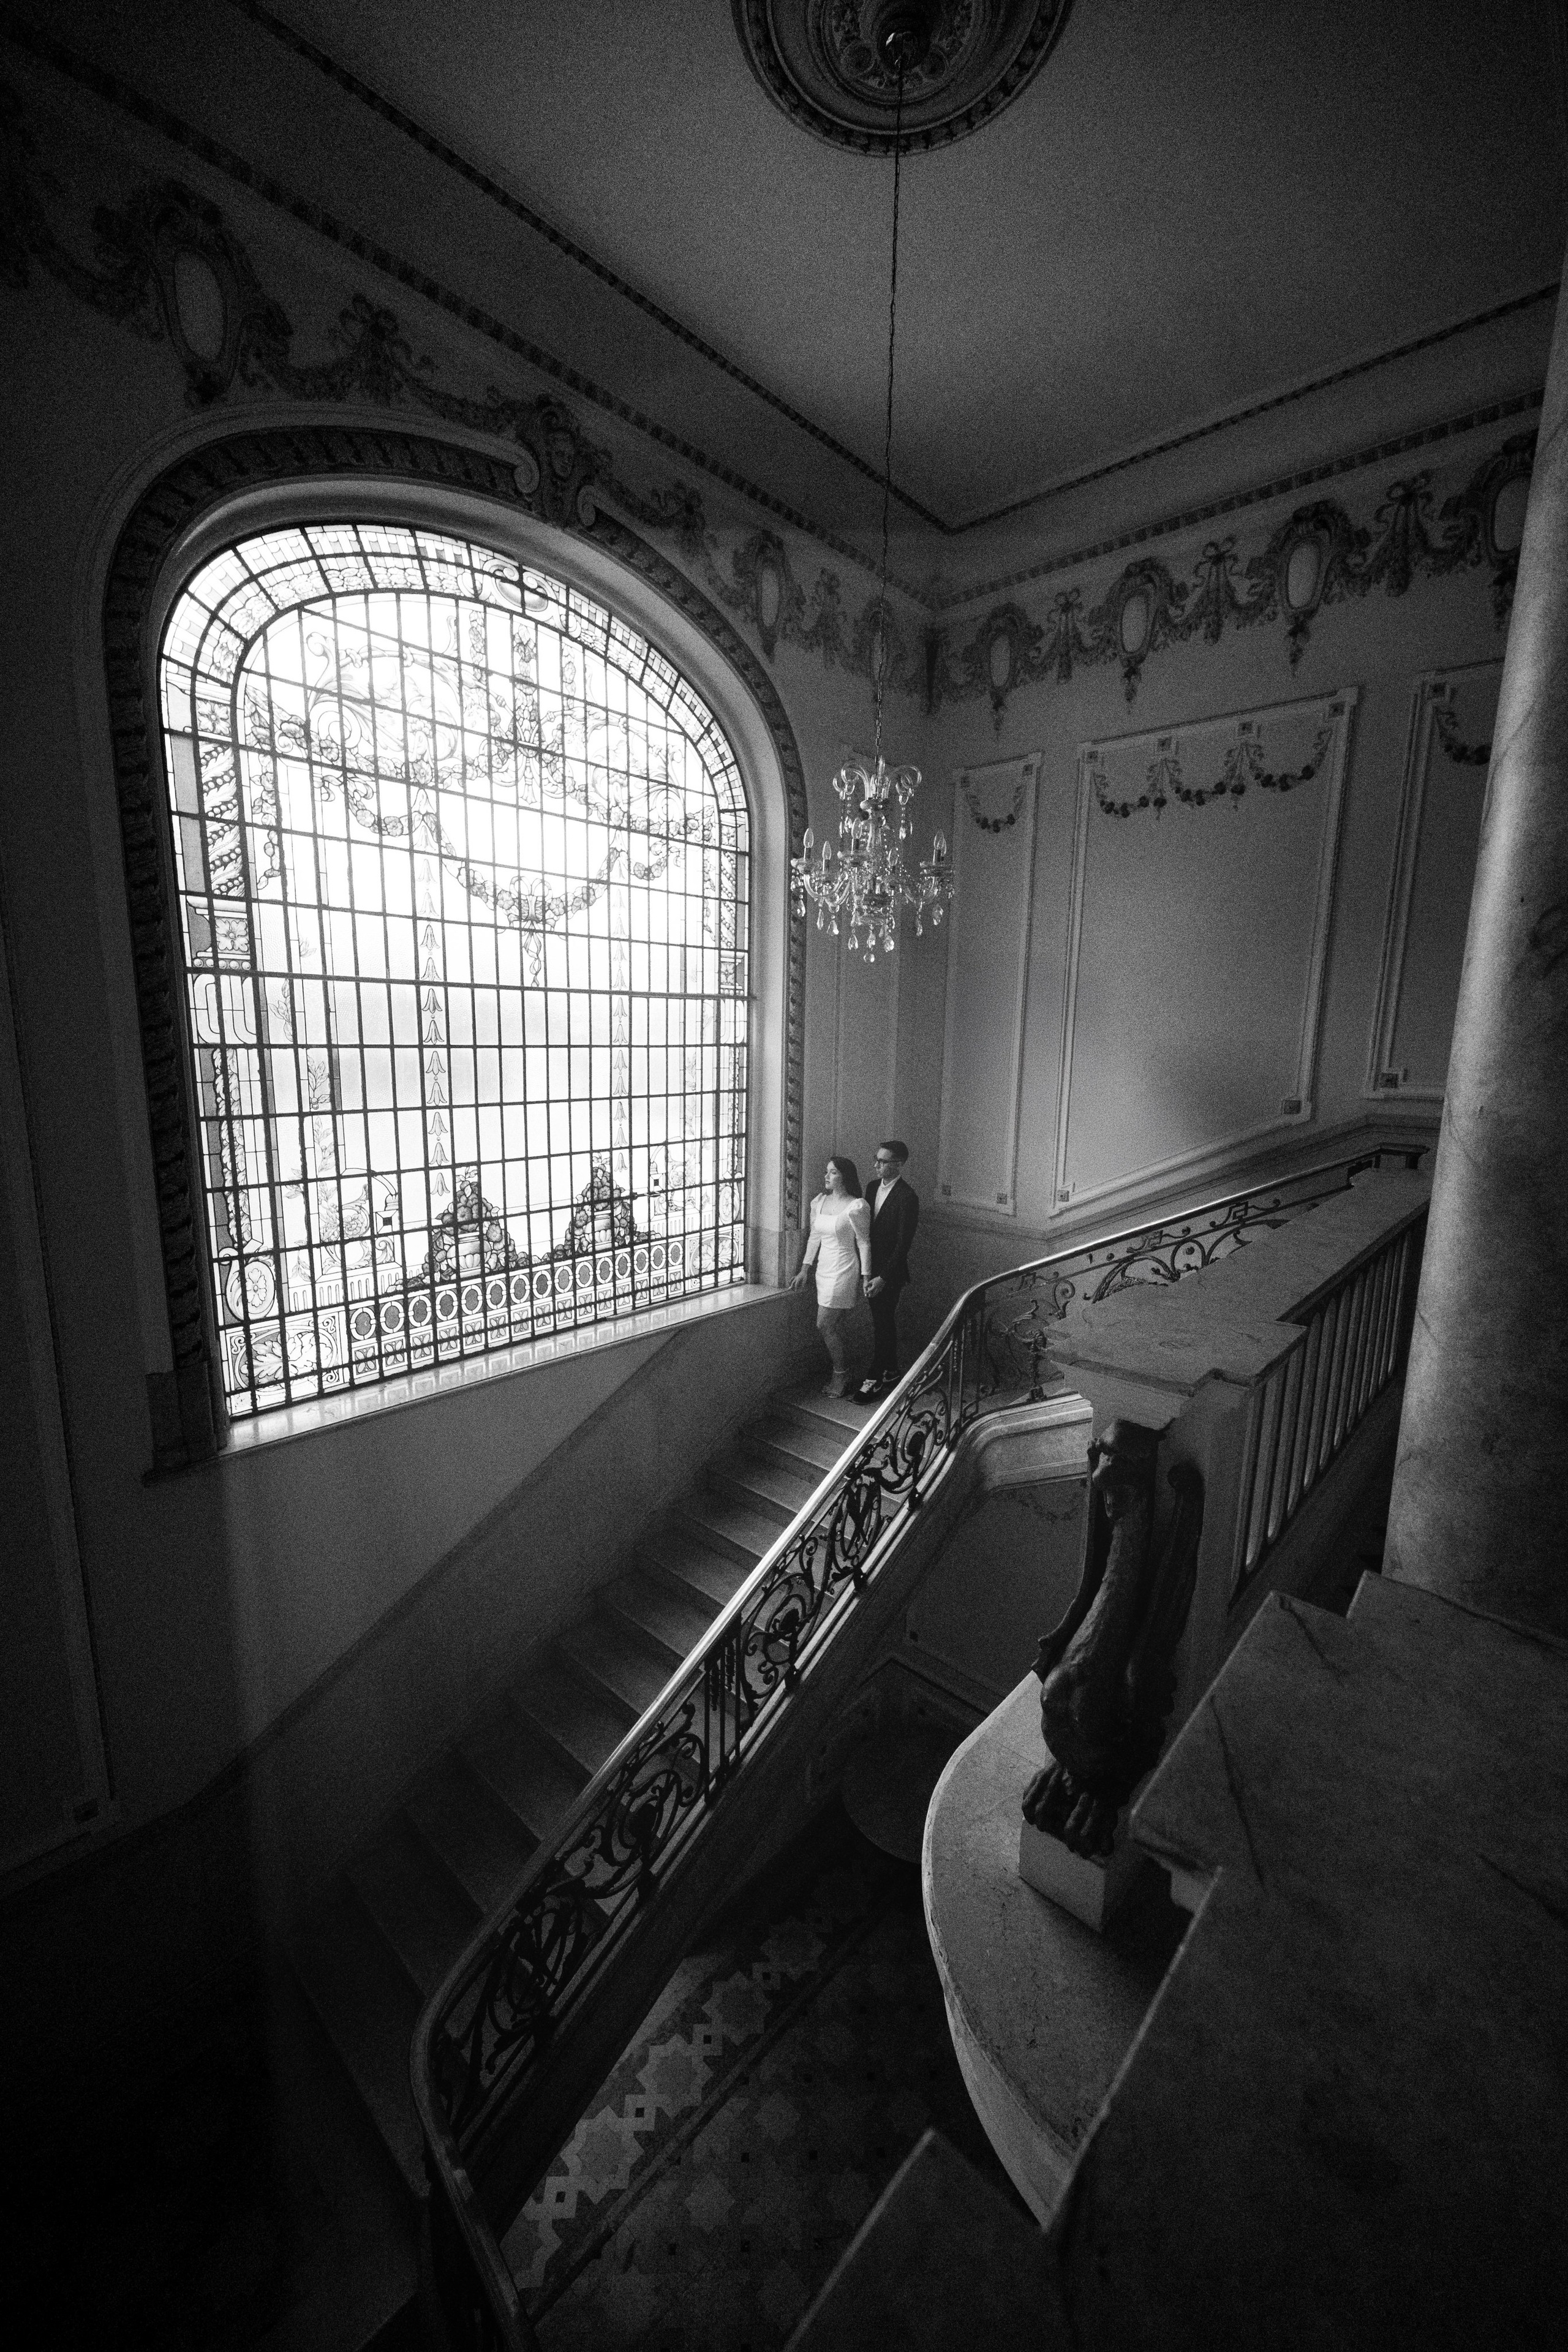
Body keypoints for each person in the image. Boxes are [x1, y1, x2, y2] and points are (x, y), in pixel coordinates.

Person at [791, 1156, 872, 1398]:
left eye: (833, 1172)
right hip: (823, 1269)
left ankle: (841, 1375)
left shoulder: (856, 1206)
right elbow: (815, 1237)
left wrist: (866, 1276)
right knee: (835, 1326)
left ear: (845, 1176)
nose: (827, 1177)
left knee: (824, 1324)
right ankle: (847, 1369)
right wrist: (805, 1268)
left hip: (844, 1268)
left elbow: (864, 1242)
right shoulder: (820, 1201)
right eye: (827, 1172)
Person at [858, 1141, 919, 1400]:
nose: (876, 1165)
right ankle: (892, 1370)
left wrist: (883, 1277)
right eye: (877, 1159)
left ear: (899, 1164)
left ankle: (874, 1377)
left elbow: (903, 1243)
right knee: (883, 1322)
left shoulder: (907, 1196)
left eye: (882, 1161)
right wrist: (866, 1271)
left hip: (890, 1274)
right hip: (870, 1267)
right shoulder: (872, 1188)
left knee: (882, 1323)